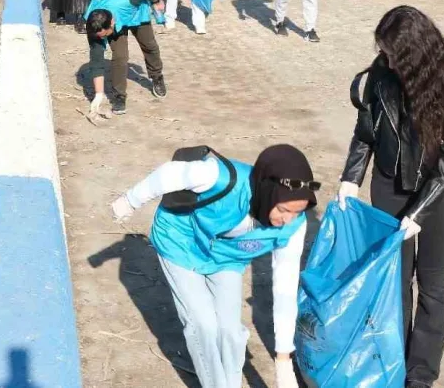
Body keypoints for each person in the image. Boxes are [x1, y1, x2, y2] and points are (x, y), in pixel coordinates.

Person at [337, 6, 444, 388]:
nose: (384, 59)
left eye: (392, 54)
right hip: (388, 185)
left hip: (439, 192)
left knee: (432, 284)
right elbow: (365, 131)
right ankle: (393, 362)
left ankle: (420, 376)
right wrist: (351, 178)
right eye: (382, 52)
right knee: (395, 281)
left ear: (415, 54)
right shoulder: (381, 74)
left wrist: (418, 211)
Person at [110, 144, 319, 388]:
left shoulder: (293, 227)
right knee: (204, 326)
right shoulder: (221, 178)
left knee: (230, 331)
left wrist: (283, 360)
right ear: (267, 191)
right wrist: (130, 201)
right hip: (181, 242)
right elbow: (170, 173)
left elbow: (285, 288)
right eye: (284, 209)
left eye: (298, 212)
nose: (288, 219)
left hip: (227, 257)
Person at [84, 0, 168, 115]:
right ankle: (119, 96)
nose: (102, 39)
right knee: (120, 57)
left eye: (104, 35)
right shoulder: (94, 25)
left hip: (134, 10)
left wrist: (156, 1)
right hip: (113, 17)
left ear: (111, 23)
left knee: (149, 46)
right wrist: (99, 95)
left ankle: (157, 76)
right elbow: (97, 61)